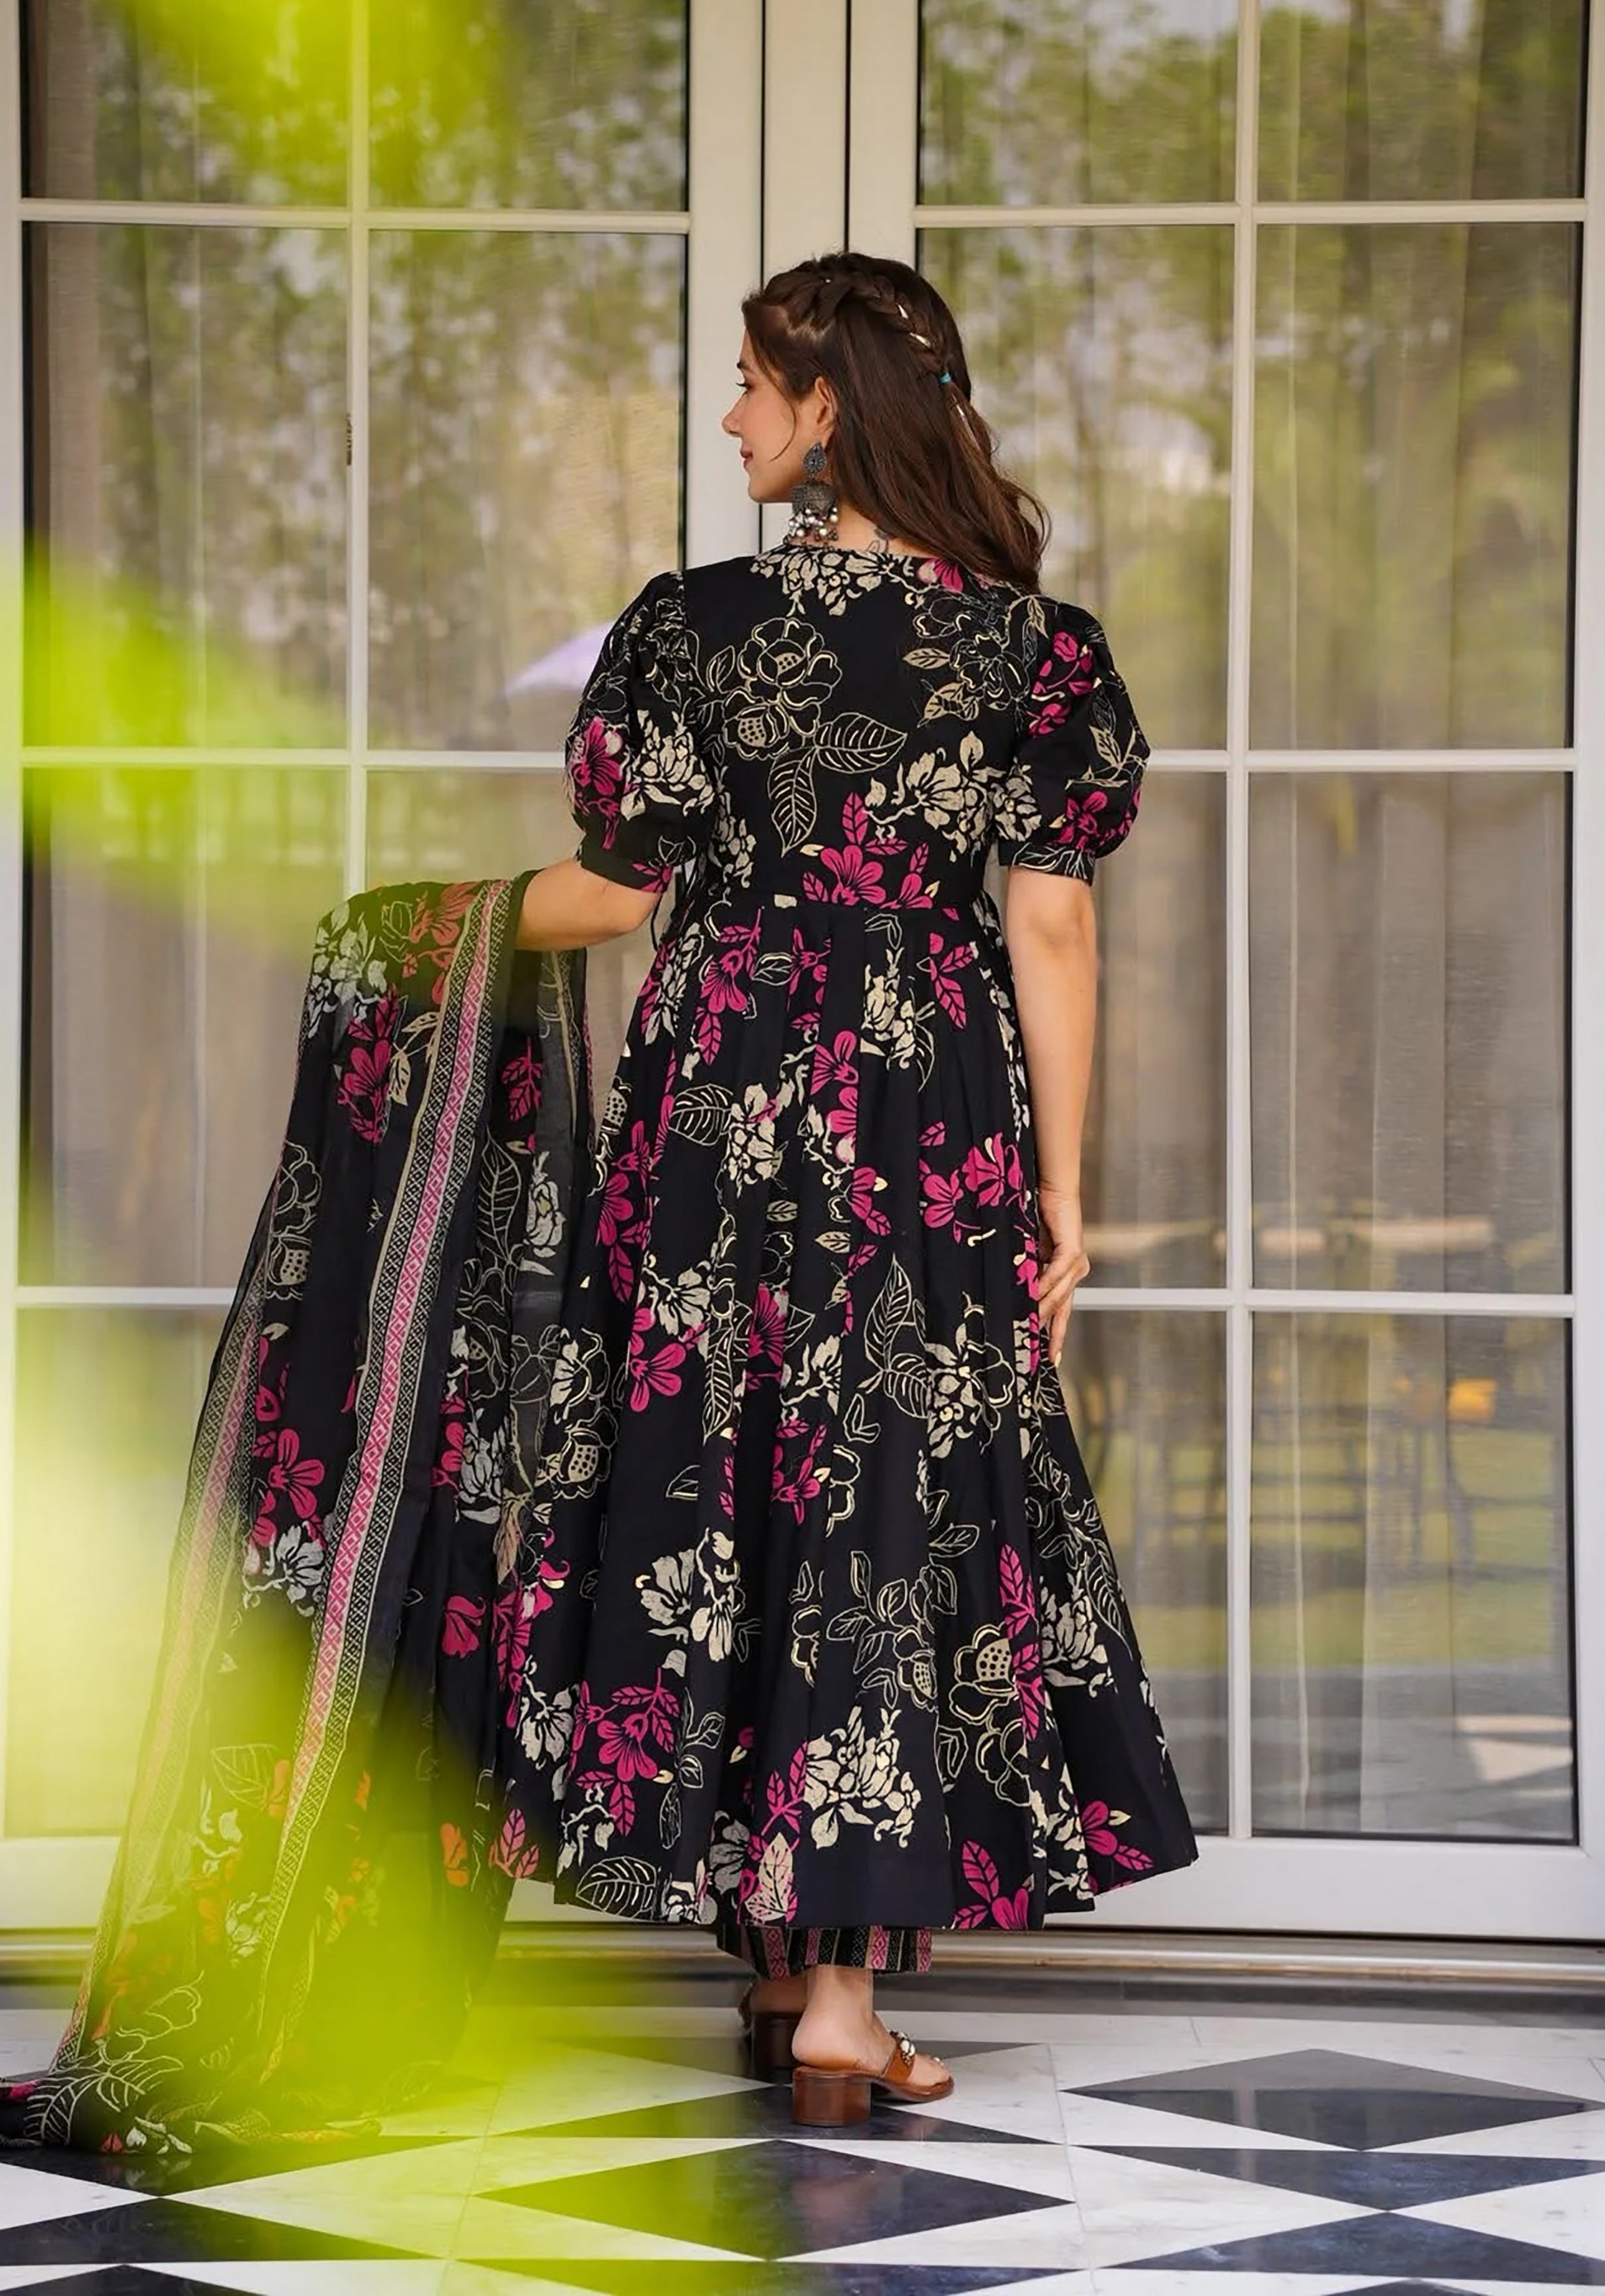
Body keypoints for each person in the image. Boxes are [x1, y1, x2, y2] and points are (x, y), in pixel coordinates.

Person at [505, 252, 1197, 2129]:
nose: (728, 411)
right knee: (879, 1486)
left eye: (749, 380)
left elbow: (620, 893)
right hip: (922, 1101)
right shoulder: (1030, 652)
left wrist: (428, 928)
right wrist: (1063, 1195)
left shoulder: (688, 628)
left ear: (824, 409)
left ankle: (784, 1967)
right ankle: (829, 1995)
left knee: (718, 1469)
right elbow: (1052, 928)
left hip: (719, 1098)